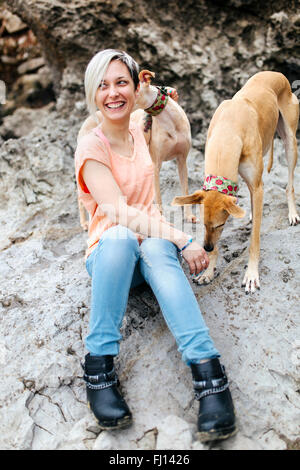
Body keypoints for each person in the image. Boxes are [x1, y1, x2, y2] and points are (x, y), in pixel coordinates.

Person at [74, 49, 236, 442]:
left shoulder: (137, 128)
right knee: (120, 236)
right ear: (91, 93)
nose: (113, 93)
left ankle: (210, 378)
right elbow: (118, 211)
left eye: (121, 83)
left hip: (152, 246)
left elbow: (159, 96)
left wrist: (163, 93)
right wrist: (185, 239)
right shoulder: (91, 148)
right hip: (112, 255)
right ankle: (99, 368)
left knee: (155, 249)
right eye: (103, 85)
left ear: (134, 88)